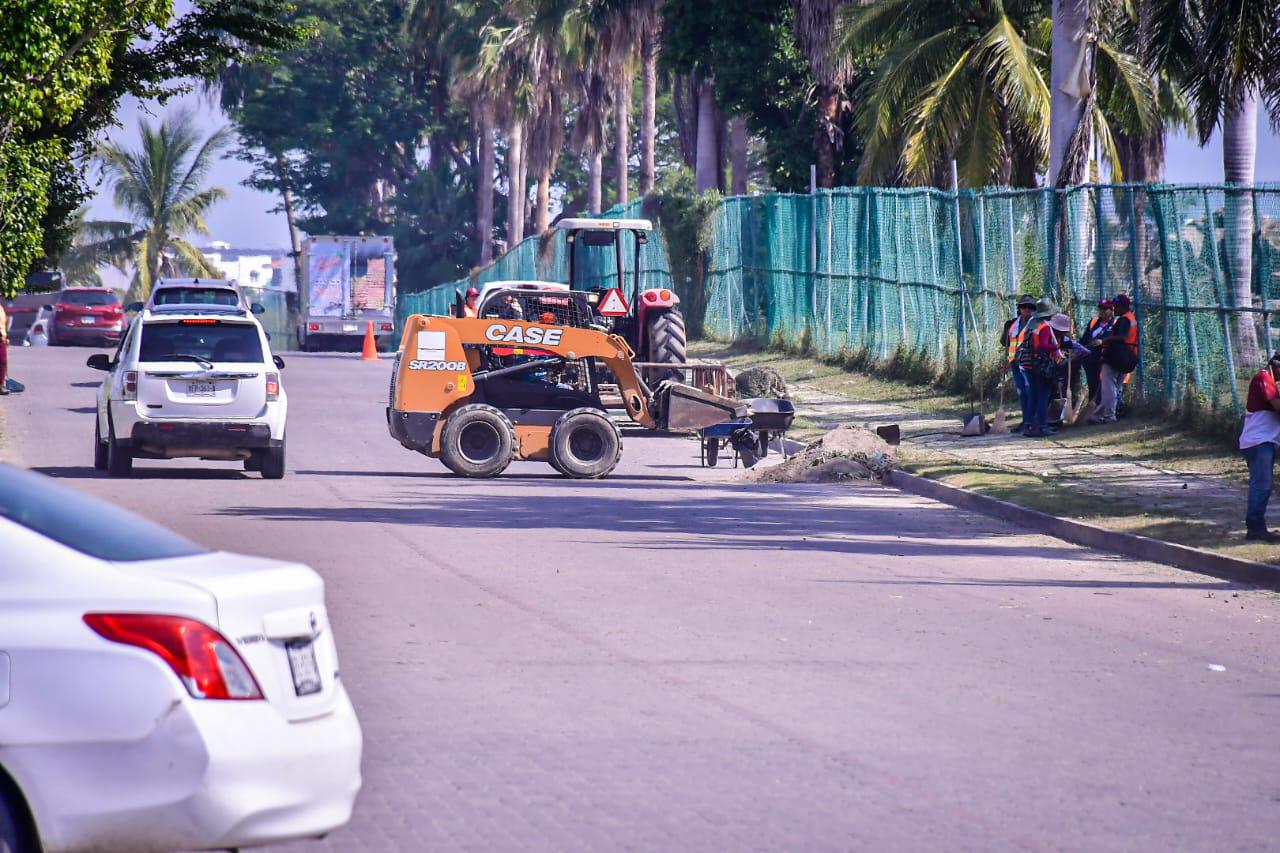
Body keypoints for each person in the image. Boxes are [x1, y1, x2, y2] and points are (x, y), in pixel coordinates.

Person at [1240, 352, 1280, 541]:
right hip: (1258, 442)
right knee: (1261, 485)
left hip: (1265, 441)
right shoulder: (1263, 378)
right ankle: (1255, 527)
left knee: (1264, 485)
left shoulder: (1269, 381)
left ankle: (1256, 526)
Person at [1013, 298, 1060, 437]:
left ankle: (1029, 424)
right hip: (1039, 364)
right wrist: (1057, 346)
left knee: (1033, 395)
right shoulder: (1044, 327)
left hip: (1027, 363)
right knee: (1043, 395)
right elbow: (1043, 346)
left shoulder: (1032, 324)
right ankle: (1042, 426)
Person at [1089, 293, 1138, 424]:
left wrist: (1103, 341)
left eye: (1116, 306)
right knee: (1113, 387)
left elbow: (1122, 337)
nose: (1114, 309)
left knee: (1108, 388)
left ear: (1123, 307)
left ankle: (1109, 416)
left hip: (1117, 356)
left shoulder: (1124, 320)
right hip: (1127, 356)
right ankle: (1098, 415)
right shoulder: (1131, 317)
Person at [1000, 294, 1037, 430]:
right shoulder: (1012, 324)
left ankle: (1030, 421)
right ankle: (1025, 421)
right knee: (1022, 392)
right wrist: (1006, 330)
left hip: (1028, 363)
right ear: (1019, 309)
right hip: (1014, 362)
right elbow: (1004, 342)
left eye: (1029, 307)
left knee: (1029, 392)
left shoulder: (1035, 324)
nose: (1026, 310)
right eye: (1024, 307)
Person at [1078, 299, 1113, 406]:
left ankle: (1105, 408)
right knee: (1092, 385)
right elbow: (1084, 339)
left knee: (1103, 386)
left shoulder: (1115, 323)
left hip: (1104, 359)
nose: (1102, 311)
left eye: (1105, 309)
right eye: (1100, 308)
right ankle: (1093, 407)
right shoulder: (1094, 322)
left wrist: (1102, 342)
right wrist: (1077, 348)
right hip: (1089, 359)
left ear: (1111, 310)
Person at [0, 299, 8, 395]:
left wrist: (6, 337)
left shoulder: (1, 308)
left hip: (2, 338)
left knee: (3, 362)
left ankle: (1, 385)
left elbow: (3, 324)